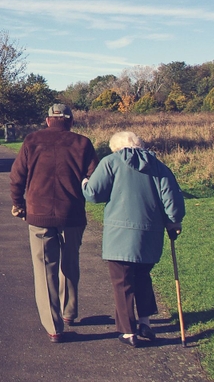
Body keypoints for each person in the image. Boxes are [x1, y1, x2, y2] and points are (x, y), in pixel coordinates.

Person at [82, 131, 185, 348]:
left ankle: (128, 331)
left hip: (119, 235)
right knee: (142, 276)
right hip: (150, 234)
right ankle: (145, 322)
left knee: (122, 281)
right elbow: (172, 200)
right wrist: (174, 221)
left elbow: (93, 194)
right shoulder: (158, 166)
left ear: (116, 148)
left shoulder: (111, 162)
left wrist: (84, 183)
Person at [9, 103, 99, 343]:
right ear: (70, 121)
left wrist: (18, 204)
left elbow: (17, 176)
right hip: (72, 215)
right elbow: (94, 178)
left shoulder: (32, 140)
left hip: (39, 214)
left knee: (45, 269)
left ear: (48, 120)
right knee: (70, 263)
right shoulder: (83, 143)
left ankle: (54, 326)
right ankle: (69, 312)